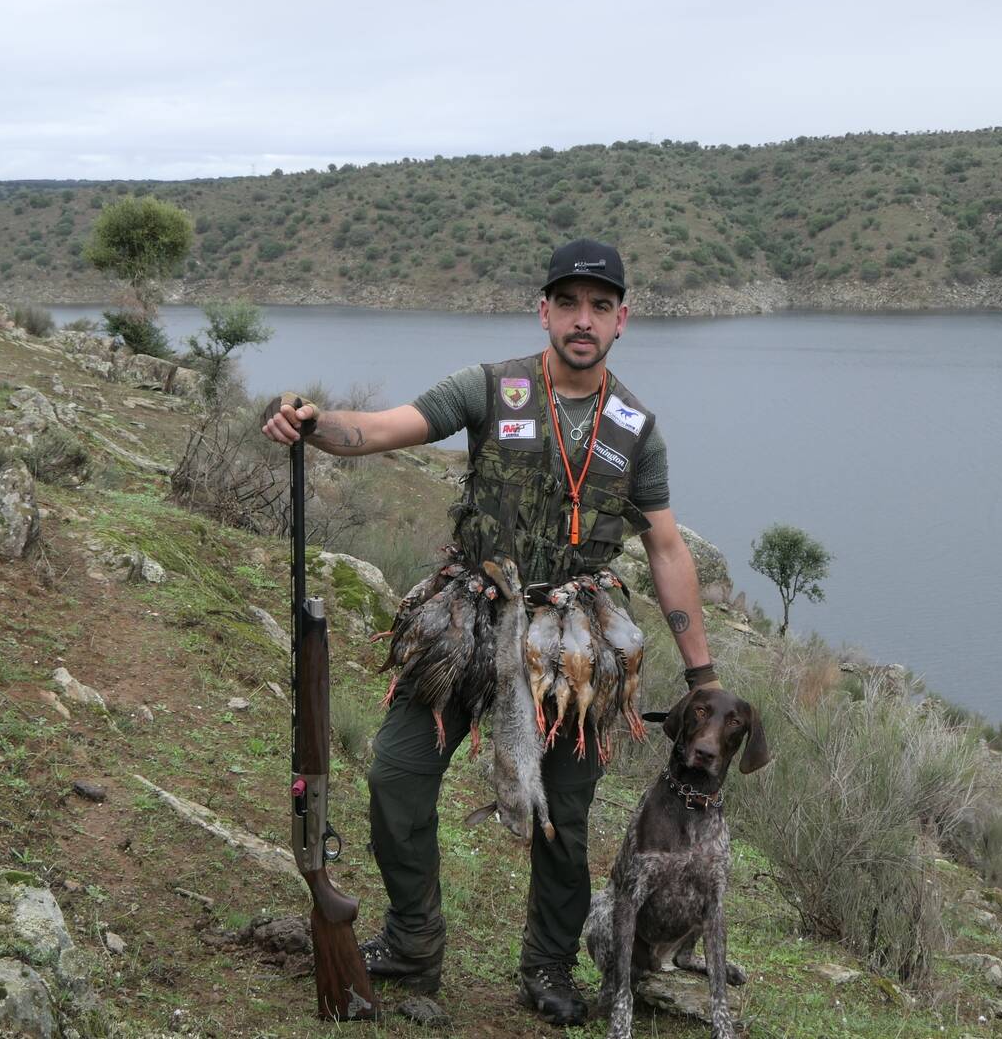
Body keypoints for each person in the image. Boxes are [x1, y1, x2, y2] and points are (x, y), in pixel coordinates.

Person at [262, 239, 718, 1026]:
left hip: (574, 644)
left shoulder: (636, 429)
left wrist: (702, 674)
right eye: (569, 304)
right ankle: (412, 940)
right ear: (544, 310)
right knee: (397, 779)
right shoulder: (489, 388)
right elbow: (379, 429)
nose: (583, 320)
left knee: (564, 821)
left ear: (622, 320)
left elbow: (667, 547)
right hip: (471, 619)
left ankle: (546, 968)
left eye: (600, 307)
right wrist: (313, 423)